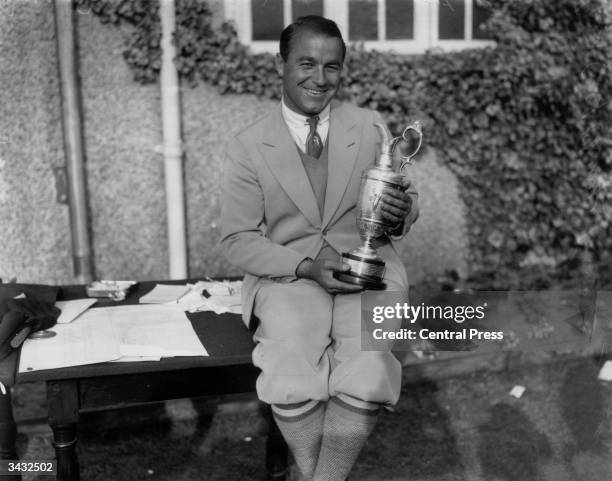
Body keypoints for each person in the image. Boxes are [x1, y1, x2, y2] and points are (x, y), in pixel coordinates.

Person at [221, 15, 419, 481]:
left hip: (371, 270)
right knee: (289, 369)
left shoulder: (370, 127)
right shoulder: (248, 146)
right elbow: (237, 238)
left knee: (370, 369)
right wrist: (306, 267)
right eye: (306, 64)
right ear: (280, 65)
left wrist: (398, 212)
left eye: (332, 67)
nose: (319, 78)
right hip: (288, 274)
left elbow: (405, 202)